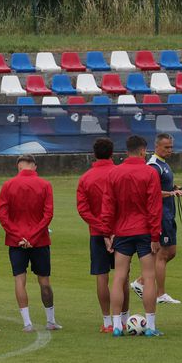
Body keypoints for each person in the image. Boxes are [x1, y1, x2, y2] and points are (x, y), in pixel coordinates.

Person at [102, 135, 163, 337]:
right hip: (145, 231)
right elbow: (154, 206)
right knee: (148, 277)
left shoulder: (114, 173)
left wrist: (107, 232)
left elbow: (108, 205)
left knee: (119, 277)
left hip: (122, 230)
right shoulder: (149, 172)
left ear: (126, 151)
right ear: (143, 151)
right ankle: (151, 326)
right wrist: (155, 235)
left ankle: (117, 325)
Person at [0, 154, 59, 332]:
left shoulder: (8, 185)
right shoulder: (45, 185)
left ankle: (27, 323)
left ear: (19, 167)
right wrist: (32, 237)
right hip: (39, 240)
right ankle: (51, 320)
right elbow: (48, 214)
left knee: (19, 280)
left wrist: (19, 236)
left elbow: (2, 214)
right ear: (35, 166)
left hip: (16, 241)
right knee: (44, 281)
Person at [77, 138, 125, 333]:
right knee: (122, 275)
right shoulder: (120, 174)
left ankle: (107, 321)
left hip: (97, 233)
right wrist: (112, 229)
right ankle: (123, 318)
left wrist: (101, 227)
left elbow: (83, 209)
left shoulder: (86, 178)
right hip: (121, 231)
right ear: (112, 153)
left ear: (94, 154)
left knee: (101, 276)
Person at [132, 133, 182, 304]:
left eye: (171, 147)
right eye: (166, 147)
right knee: (162, 253)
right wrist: (171, 193)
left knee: (171, 252)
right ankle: (160, 294)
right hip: (160, 215)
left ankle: (140, 282)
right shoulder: (154, 166)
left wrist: (172, 187)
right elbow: (151, 191)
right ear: (156, 147)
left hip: (168, 214)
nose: (170, 150)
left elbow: (162, 184)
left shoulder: (163, 164)